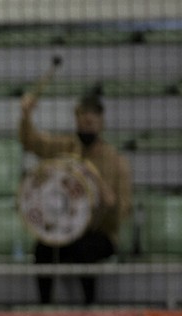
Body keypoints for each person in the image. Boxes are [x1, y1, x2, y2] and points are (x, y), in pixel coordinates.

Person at [19, 92, 133, 305]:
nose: (86, 126)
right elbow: (31, 142)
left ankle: (89, 308)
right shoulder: (66, 148)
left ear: (101, 123)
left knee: (86, 249)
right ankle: (45, 308)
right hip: (66, 231)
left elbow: (122, 213)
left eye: (91, 121)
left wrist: (111, 204)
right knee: (43, 249)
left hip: (100, 232)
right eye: (82, 120)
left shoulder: (116, 162)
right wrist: (26, 115)